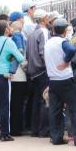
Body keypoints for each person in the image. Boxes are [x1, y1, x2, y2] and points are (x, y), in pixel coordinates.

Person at [45, 18, 76, 146]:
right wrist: (65, 62)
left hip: (53, 80)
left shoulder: (48, 42)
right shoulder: (62, 41)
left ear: (53, 29)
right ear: (64, 30)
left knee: (54, 110)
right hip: (66, 78)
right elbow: (71, 50)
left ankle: (56, 137)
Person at [0, 20, 25, 142]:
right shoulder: (8, 41)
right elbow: (20, 57)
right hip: (3, 76)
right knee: (4, 105)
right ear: (6, 30)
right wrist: (11, 58)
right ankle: (5, 133)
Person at [26, 9, 50, 137]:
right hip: (42, 70)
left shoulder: (32, 33)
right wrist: (50, 68)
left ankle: (35, 129)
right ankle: (44, 129)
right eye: (47, 17)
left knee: (36, 100)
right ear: (43, 19)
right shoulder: (44, 32)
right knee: (45, 100)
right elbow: (44, 52)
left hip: (32, 71)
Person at [8, 20, 29, 136]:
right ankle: (19, 127)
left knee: (14, 103)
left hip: (16, 74)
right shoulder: (24, 38)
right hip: (22, 75)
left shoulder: (16, 37)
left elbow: (18, 53)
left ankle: (14, 129)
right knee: (19, 103)